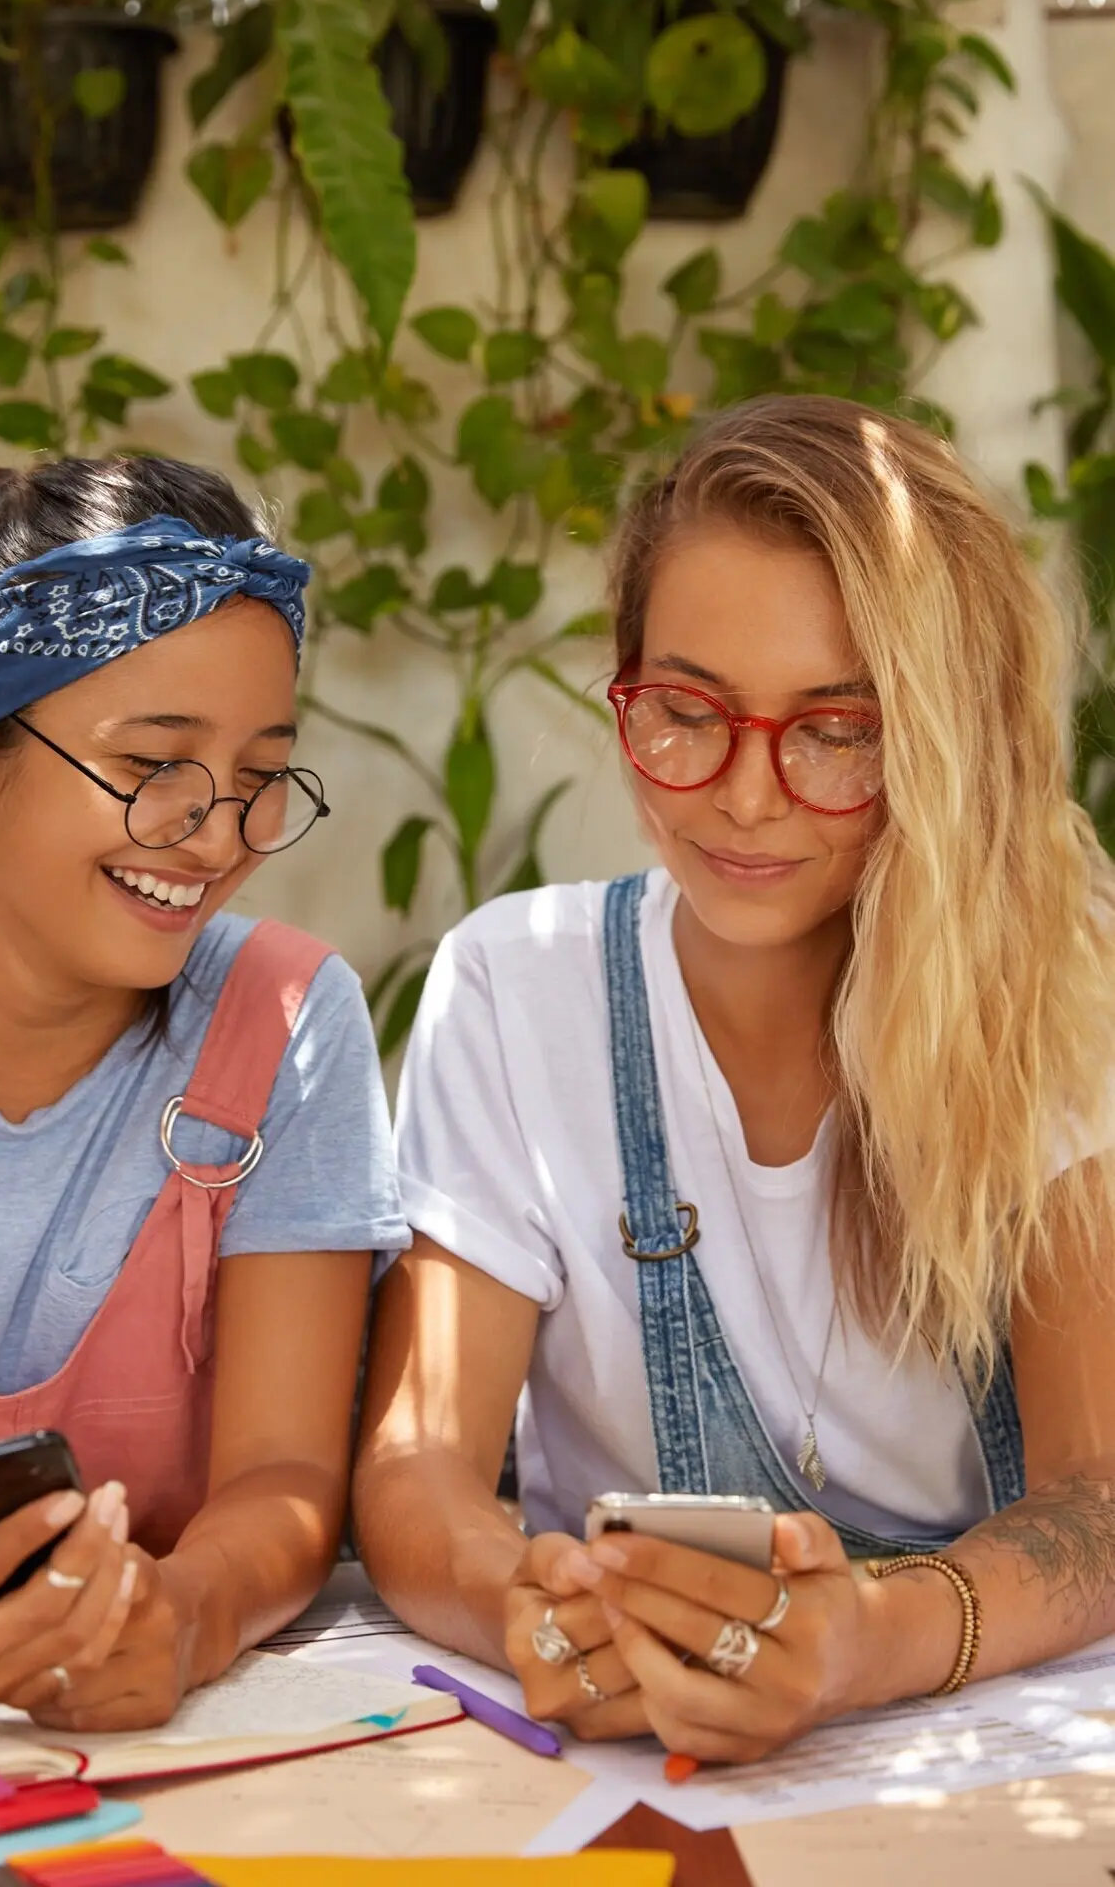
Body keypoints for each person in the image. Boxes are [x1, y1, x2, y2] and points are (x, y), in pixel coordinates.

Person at [354, 394, 1115, 1763]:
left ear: (943, 741)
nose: (745, 796)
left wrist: (864, 1642)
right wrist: (526, 1607)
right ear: (625, 687)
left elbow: (1095, 1497)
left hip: (993, 1743)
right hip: (628, 1757)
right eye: (689, 711)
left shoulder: (1064, 985)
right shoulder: (518, 993)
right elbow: (419, 1468)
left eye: (837, 730)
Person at [0, 456, 407, 1727]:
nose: (218, 835)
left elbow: (285, 1477)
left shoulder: (285, 1020)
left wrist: (183, 1621)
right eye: (153, 765)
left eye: (256, 775)